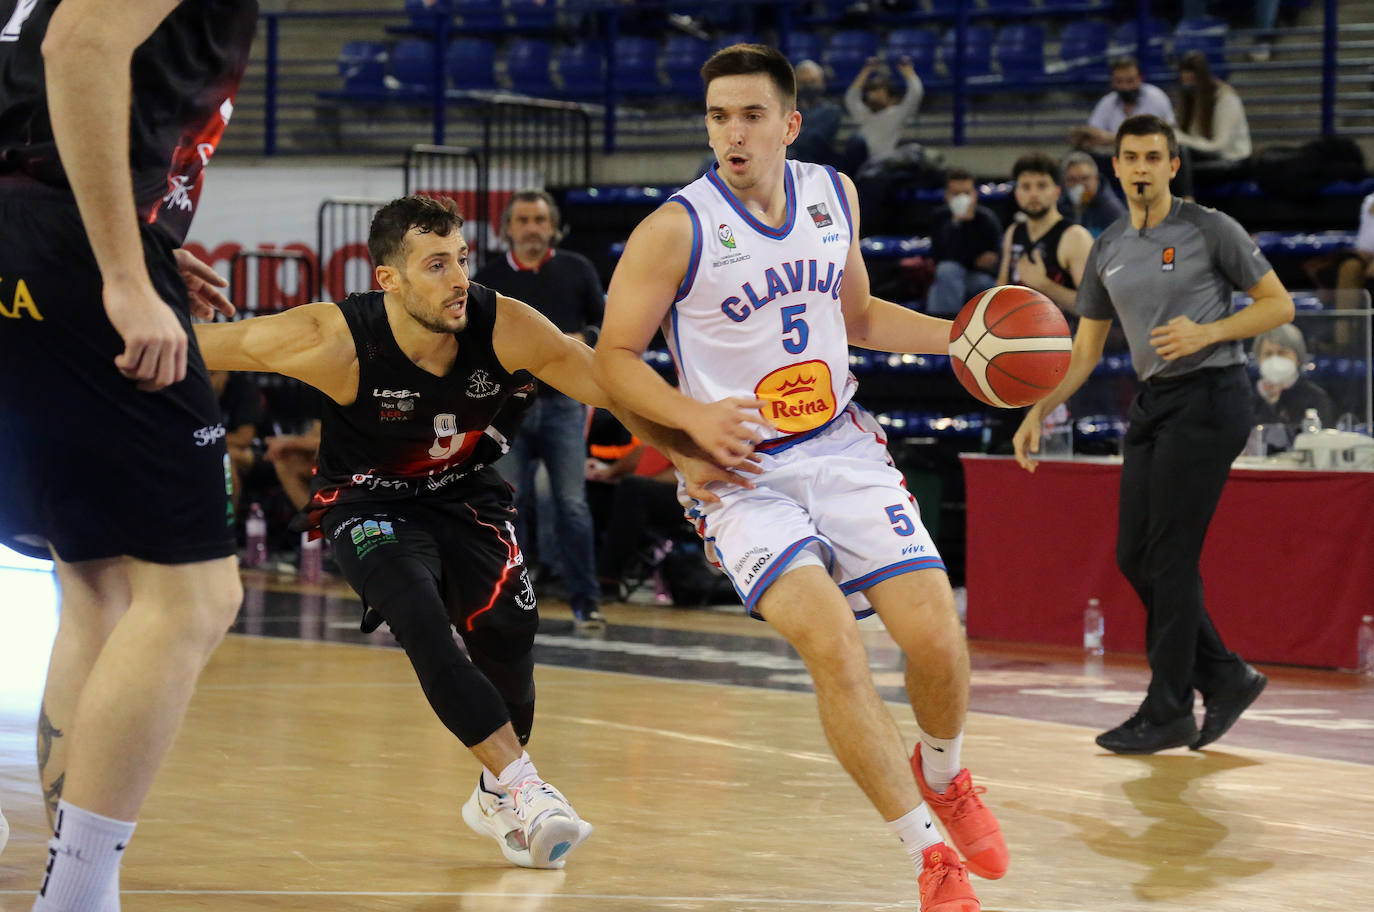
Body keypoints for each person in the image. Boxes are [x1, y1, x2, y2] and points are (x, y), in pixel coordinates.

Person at [195, 195, 738, 870]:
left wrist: (687, 451)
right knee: (422, 618)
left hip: (466, 496)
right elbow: (198, 343)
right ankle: (525, 788)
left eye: (461, 258)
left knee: (508, 637)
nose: (457, 279)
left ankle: (492, 793)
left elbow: (607, 382)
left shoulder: (502, 323)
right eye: (434, 265)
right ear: (387, 279)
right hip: (370, 504)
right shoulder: (332, 339)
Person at [594, 44, 1005, 911]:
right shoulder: (675, 227)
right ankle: (929, 856)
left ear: (790, 123)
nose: (731, 133)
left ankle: (946, 774)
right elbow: (612, 359)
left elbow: (856, 316)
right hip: (738, 473)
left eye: (749, 116)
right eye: (717, 117)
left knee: (936, 637)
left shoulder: (834, 194)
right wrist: (689, 421)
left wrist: (962, 337)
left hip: (840, 443)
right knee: (837, 648)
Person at [0, 2, 256, 908]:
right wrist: (117, 264)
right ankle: (75, 896)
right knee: (195, 593)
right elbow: (82, 46)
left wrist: (138, 236)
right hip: (64, 244)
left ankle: (70, 886)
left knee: (97, 579)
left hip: (28, 235)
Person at [1013, 114, 1295, 755]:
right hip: (1156, 401)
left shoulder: (1209, 228)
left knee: (1170, 556)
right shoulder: (1107, 246)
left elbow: (1280, 304)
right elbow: (1084, 351)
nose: (1140, 167)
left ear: (1172, 165)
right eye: (1130, 156)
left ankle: (1168, 707)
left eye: (1153, 157)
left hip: (1213, 395)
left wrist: (1209, 331)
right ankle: (1224, 674)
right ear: (1115, 166)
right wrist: (1039, 408)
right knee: (1134, 556)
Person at [474, 190, 607, 627]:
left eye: (540, 220)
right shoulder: (488, 277)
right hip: (506, 407)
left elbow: (608, 325)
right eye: (524, 220)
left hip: (564, 403)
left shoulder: (577, 269)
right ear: (508, 228)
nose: (532, 228)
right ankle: (510, 598)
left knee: (571, 503)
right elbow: (470, 337)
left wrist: (584, 337)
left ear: (553, 227)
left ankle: (586, 601)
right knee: (509, 504)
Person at [997, 154, 1093, 317]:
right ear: (1016, 193)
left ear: (1056, 191)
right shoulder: (1013, 232)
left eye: (1041, 186)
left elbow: (1092, 307)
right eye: (1026, 187)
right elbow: (1000, 291)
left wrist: (1044, 284)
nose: (1033, 194)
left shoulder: (1075, 237)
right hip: (1018, 335)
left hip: (1064, 338)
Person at [927, 167, 1003, 316]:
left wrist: (990, 261)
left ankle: (943, 325)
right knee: (947, 272)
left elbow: (995, 259)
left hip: (978, 279)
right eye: (956, 194)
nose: (962, 199)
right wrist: (955, 224)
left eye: (966, 193)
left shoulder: (987, 219)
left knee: (946, 285)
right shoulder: (939, 218)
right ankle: (949, 324)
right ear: (947, 196)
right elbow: (939, 257)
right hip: (949, 277)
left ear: (974, 195)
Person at [1067, 56, 1174, 153]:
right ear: (1113, 82)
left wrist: (1113, 139)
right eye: (1119, 81)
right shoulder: (1107, 102)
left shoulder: (1157, 98)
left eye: (1130, 81)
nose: (1125, 87)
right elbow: (1093, 134)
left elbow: (1166, 134)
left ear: (1140, 79)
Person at [1250, 323, 1334, 439]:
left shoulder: (1316, 398)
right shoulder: (1246, 399)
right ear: (1259, 360)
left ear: (1298, 358)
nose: (1275, 359)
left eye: (1282, 353)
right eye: (1268, 354)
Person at [842, 56, 923, 170]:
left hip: (884, 164)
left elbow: (915, 93)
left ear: (890, 97)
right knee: (855, 140)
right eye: (872, 91)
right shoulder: (863, 113)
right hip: (860, 163)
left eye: (880, 91)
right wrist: (866, 71)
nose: (875, 95)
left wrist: (908, 72)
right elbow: (851, 97)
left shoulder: (896, 113)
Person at [1175, 51, 1252, 165]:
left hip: (1231, 160)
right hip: (1204, 156)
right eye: (1185, 83)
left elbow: (1219, 147)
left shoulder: (1225, 99)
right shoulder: (1191, 98)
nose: (1189, 87)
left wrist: (1182, 139)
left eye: (1192, 82)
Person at [210, 370, 263, 510]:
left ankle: (229, 521)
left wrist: (207, 438)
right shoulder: (196, 391)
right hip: (213, 448)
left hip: (257, 449)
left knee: (225, 459)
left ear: (225, 372)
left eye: (213, 373)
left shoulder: (242, 388)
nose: (209, 379)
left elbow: (245, 438)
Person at [788, 59, 841, 168]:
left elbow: (816, 140)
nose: (808, 86)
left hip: (818, 165)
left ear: (822, 83)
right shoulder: (788, 110)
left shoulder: (831, 111)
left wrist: (790, 138)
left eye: (812, 82)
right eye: (803, 83)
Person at [1060, 151, 1126, 238]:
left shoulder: (1112, 211)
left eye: (1084, 178)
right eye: (1072, 179)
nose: (1078, 185)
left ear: (1096, 179)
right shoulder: (1060, 208)